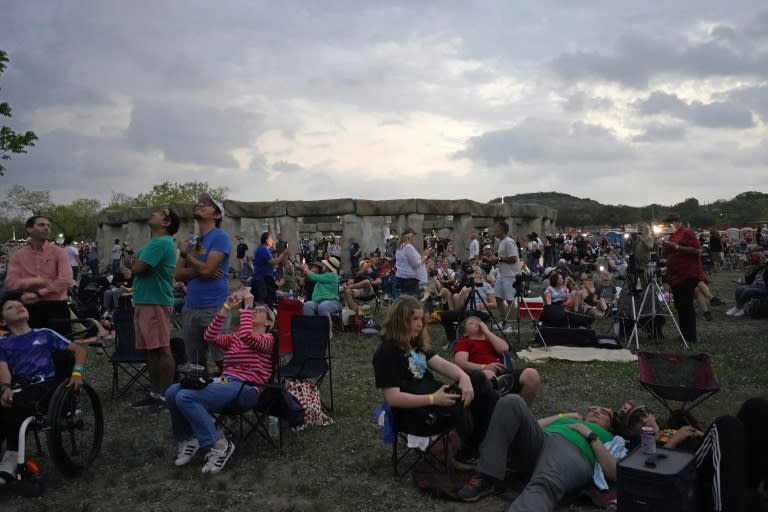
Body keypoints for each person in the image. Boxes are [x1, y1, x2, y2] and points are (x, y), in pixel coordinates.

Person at [372, 296, 499, 465]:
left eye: (421, 319)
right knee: (482, 396)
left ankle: (483, 444)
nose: (420, 324)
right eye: (414, 319)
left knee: (479, 382)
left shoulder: (415, 343)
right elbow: (393, 398)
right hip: (418, 411)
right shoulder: (386, 353)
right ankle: (475, 447)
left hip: (437, 398)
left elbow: (442, 364)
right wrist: (433, 398)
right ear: (399, 320)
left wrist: (464, 377)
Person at [166, 297, 275, 475]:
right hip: (226, 381)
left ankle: (220, 444)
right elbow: (210, 336)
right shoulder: (236, 338)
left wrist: (247, 307)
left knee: (186, 397)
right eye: (254, 308)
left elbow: (248, 336)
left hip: (246, 387)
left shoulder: (268, 339)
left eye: (261, 309)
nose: (255, 309)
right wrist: (226, 308)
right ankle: (189, 438)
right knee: (172, 392)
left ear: (269, 322)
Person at [457, 395, 619, 509]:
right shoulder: (568, 419)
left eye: (604, 412)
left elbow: (614, 472)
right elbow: (533, 424)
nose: (596, 411)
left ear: (611, 426)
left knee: (544, 482)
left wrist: (591, 436)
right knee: (512, 402)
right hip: (540, 442)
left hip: (572, 452)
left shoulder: (612, 438)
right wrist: (562, 416)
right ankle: (487, 477)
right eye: (592, 409)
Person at [617, 398, 768, 512]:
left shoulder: (671, 426)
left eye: (644, 414)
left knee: (755, 407)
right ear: (629, 431)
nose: (643, 420)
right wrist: (673, 443)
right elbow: (644, 474)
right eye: (635, 421)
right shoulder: (634, 444)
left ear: (653, 415)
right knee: (726, 424)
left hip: (722, 471)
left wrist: (708, 439)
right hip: (687, 477)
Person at [0, 293, 87, 483]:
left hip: (48, 388)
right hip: (20, 388)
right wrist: (5, 387)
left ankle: (12, 456)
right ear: (3, 321)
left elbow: (79, 351)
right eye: (10, 307)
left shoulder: (45, 334)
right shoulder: (3, 344)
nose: (18, 307)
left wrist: (77, 373)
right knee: (8, 400)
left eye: (19, 304)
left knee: (15, 403)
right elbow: (3, 370)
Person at [130, 207, 181, 412]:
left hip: (156, 301)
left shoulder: (161, 242)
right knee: (151, 350)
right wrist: (137, 263)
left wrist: (137, 263)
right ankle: (155, 393)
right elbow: (134, 262)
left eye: (160, 212)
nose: (154, 213)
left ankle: (167, 398)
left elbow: (137, 268)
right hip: (145, 300)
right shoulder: (154, 243)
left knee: (162, 348)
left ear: (167, 222)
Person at [175, 194, 231, 372]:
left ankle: (227, 394)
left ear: (217, 215)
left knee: (222, 359)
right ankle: (202, 392)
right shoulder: (193, 241)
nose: (200, 205)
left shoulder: (220, 237)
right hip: (191, 306)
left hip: (214, 307)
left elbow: (207, 270)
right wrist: (201, 270)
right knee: (196, 361)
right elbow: (177, 274)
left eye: (207, 204)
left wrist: (186, 255)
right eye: (199, 203)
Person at [453, 315, 541, 405]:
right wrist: (484, 367)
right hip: (478, 375)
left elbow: (504, 348)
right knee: (488, 373)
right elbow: (460, 363)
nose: (477, 324)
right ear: (465, 333)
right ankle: (499, 402)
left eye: (479, 322)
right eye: (471, 323)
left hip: (502, 374)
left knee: (531, 374)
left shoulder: (490, 340)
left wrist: (487, 332)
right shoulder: (464, 342)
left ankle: (521, 411)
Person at [5, 215, 73, 329]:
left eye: (48, 226)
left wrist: (38, 293)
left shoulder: (59, 252)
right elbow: (11, 282)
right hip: (29, 308)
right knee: (33, 344)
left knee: (62, 345)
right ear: (29, 229)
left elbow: (65, 280)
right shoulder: (18, 255)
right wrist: (36, 281)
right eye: (41, 225)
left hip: (56, 307)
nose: (46, 228)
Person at [662, 212, 703, 344]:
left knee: (686, 306)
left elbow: (697, 250)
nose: (669, 225)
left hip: (687, 274)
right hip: (675, 275)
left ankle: (690, 336)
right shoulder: (673, 235)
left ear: (678, 221)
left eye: (671, 223)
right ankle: (683, 334)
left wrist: (678, 247)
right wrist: (665, 246)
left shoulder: (687, 233)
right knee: (679, 306)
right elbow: (668, 252)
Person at [491, 222, 521, 334]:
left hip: (511, 275)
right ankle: (506, 321)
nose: (495, 230)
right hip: (502, 274)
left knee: (510, 300)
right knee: (498, 298)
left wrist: (499, 259)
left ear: (503, 230)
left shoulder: (509, 242)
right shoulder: (501, 242)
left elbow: (513, 259)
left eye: (496, 228)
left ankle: (513, 326)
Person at [251, 232, 289, 306]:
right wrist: (284, 254)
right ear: (267, 240)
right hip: (262, 280)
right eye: (271, 238)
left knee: (267, 303)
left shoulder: (263, 249)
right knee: (264, 305)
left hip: (264, 279)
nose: (272, 241)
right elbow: (274, 262)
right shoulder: (263, 250)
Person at [725, 251, 768, 317]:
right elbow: (749, 281)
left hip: (764, 288)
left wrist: (765, 262)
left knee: (748, 291)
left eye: (761, 260)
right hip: (754, 285)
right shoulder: (758, 268)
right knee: (739, 288)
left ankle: (737, 307)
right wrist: (747, 274)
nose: (760, 262)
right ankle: (741, 309)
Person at [301, 256, 342, 320]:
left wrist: (306, 269)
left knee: (322, 307)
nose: (323, 265)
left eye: (324, 265)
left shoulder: (333, 275)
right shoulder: (324, 275)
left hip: (332, 301)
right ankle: (310, 327)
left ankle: (326, 328)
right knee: (307, 305)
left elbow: (314, 277)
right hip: (318, 302)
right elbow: (310, 278)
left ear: (327, 267)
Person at [394, 227, 429, 297]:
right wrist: (425, 257)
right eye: (414, 237)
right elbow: (415, 264)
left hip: (403, 278)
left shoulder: (400, 246)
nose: (415, 239)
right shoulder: (408, 247)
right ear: (409, 237)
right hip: (409, 280)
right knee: (410, 302)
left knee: (405, 301)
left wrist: (421, 257)